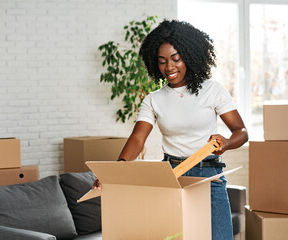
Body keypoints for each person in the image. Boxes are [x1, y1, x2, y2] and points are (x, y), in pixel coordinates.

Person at [93, 19, 248, 240]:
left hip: (209, 175)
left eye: (176, 59)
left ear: (190, 56)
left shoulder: (213, 90)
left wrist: (226, 142)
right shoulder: (153, 100)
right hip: (172, 175)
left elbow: (241, 131)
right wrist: (117, 170)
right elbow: (138, 138)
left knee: (220, 236)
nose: (169, 67)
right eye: (162, 61)